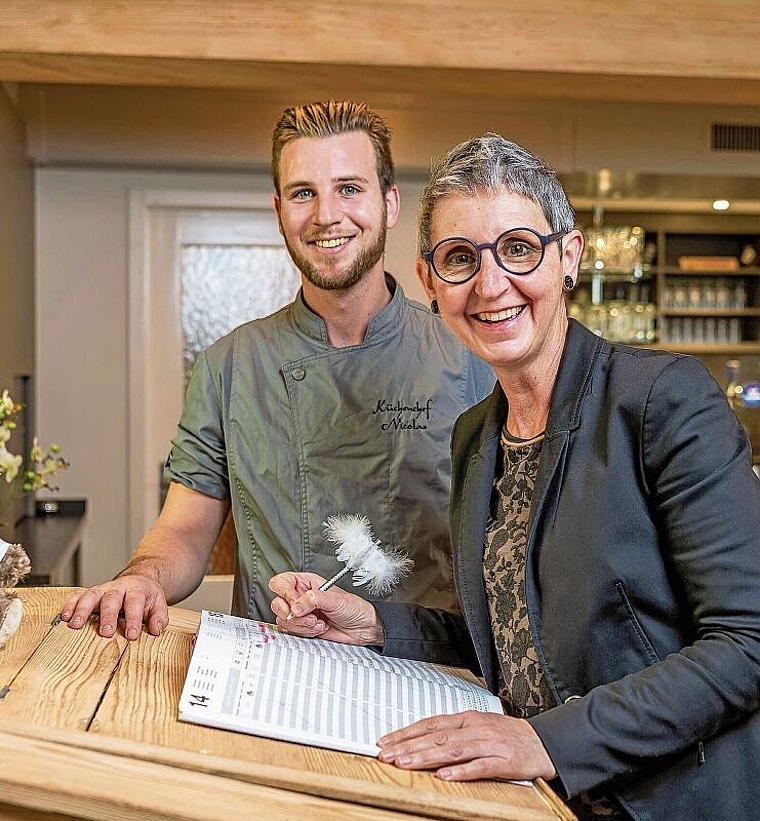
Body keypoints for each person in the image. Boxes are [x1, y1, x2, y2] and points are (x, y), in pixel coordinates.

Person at [269, 134, 760, 820]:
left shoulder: (661, 399)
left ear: (569, 257)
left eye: (520, 248)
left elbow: (747, 645)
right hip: (538, 802)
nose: (491, 284)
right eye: (461, 259)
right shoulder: (477, 435)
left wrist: (542, 739)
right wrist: (376, 624)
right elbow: (516, 632)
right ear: (431, 283)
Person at [61, 101, 493, 639]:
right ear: (279, 208)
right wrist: (142, 577)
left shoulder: (471, 358)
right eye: (303, 193)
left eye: (349, 188)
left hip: (424, 672)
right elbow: (186, 529)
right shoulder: (229, 367)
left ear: (389, 202)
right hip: (276, 672)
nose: (326, 215)